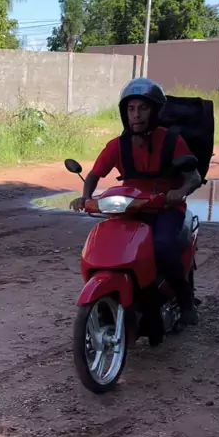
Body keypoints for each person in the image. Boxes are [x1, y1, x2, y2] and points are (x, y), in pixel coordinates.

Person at [72, 78, 201, 325]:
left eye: (143, 108)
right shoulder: (118, 145)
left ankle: (186, 301)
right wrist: (86, 197)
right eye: (131, 109)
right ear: (124, 113)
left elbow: (193, 177)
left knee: (163, 246)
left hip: (165, 208)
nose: (136, 115)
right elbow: (94, 175)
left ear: (155, 111)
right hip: (130, 208)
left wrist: (180, 191)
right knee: (111, 248)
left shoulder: (172, 141)